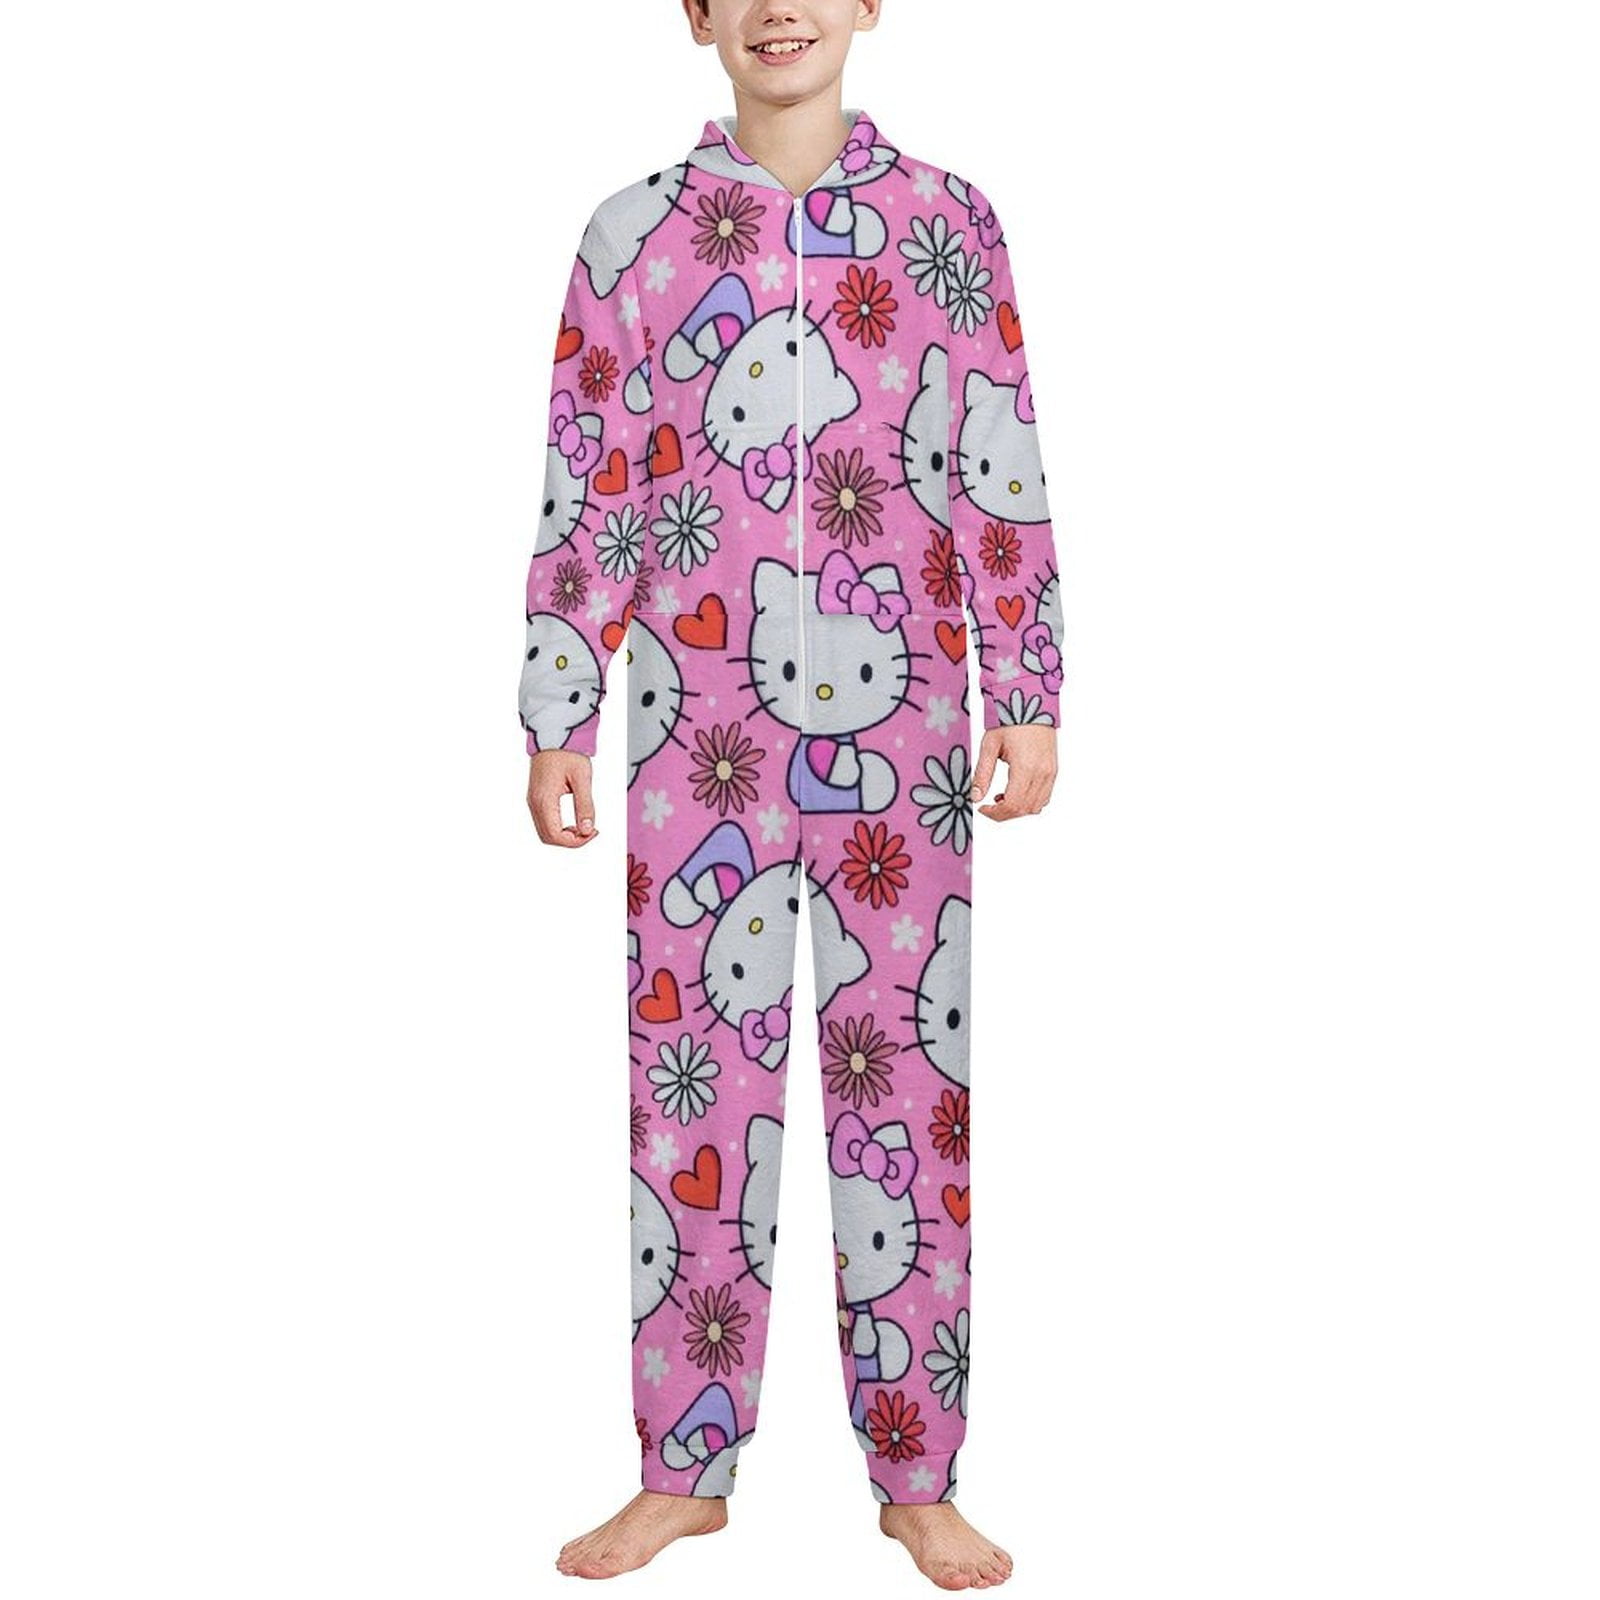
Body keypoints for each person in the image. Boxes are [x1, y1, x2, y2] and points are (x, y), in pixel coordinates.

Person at [519, 1, 1061, 1585]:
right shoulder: (633, 237)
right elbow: (589, 475)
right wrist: (561, 699)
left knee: (911, 1100)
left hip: (908, 755)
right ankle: (683, 1468)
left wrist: (1027, 684)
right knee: (691, 1092)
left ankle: (919, 1474)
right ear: (693, 14)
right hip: (697, 740)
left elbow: (1000, 461)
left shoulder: (952, 226)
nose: (779, 7)